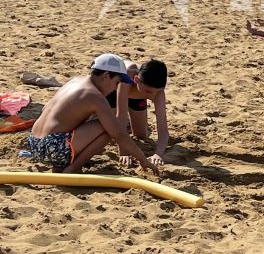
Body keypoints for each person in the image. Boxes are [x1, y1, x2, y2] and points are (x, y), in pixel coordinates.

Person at [21, 53, 159, 174]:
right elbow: (118, 134)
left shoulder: (74, 81)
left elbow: (46, 110)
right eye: (116, 82)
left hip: (34, 143)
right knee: (109, 127)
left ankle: (64, 163)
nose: (115, 88)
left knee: (97, 123)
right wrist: (143, 160)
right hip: (52, 148)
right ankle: (73, 168)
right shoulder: (95, 96)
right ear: (105, 76)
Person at [105, 56, 170, 162]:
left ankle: (131, 125)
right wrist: (124, 153)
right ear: (136, 80)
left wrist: (158, 154)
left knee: (141, 135)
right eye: (149, 92)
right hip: (112, 93)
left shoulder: (157, 92)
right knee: (107, 131)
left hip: (137, 96)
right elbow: (121, 117)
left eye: (156, 92)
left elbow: (163, 130)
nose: (152, 96)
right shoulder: (127, 75)